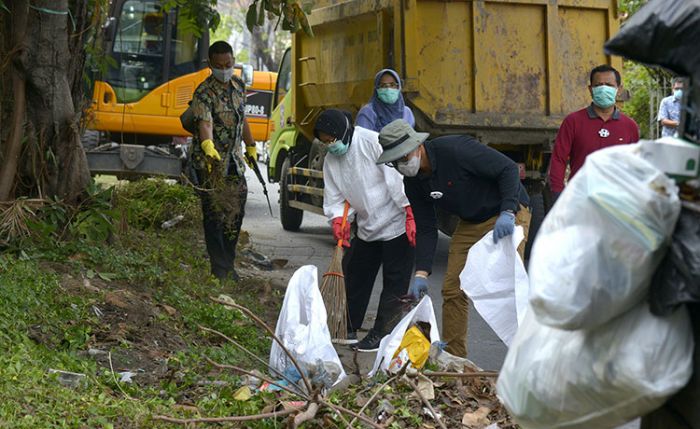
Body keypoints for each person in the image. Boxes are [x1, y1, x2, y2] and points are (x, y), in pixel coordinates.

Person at [376, 119, 531, 358]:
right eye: (395, 162)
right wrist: (421, 273)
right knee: (452, 288)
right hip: (470, 221)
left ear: (417, 147)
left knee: (509, 287)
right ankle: (454, 357)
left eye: (403, 158)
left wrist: (508, 211)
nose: (401, 166)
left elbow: (508, 169)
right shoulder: (413, 182)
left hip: (507, 211)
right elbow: (427, 227)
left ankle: (529, 355)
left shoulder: (456, 150)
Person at [315, 109, 416, 352]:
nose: (331, 145)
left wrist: (408, 208)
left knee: (395, 281)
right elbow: (335, 196)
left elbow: (394, 177)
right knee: (357, 275)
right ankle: (348, 325)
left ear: (344, 132)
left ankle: (382, 332)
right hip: (368, 225)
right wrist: (339, 220)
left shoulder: (371, 142)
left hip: (395, 220)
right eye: (325, 141)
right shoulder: (331, 160)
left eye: (332, 139)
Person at [188, 41, 258, 282]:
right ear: (210, 65)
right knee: (215, 216)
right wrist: (208, 146)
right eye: (219, 66)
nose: (225, 69)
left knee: (235, 212)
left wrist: (250, 145)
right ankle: (219, 269)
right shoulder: (204, 92)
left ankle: (229, 264)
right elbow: (204, 123)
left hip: (234, 162)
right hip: (212, 165)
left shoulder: (238, 85)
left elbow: (243, 118)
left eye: (228, 64)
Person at [548, 64, 639, 200]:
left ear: (619, 89)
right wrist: (557, 194)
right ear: (591, 89)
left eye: (609, 85)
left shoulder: (629, 126)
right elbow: (558, 159)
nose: (603, 89)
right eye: (598, 85)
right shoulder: (573, 121)